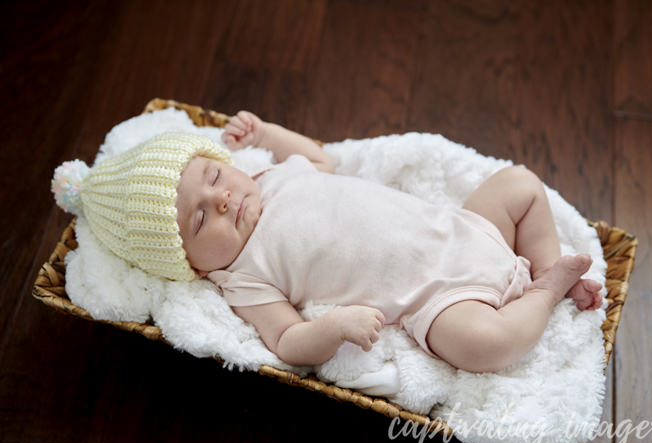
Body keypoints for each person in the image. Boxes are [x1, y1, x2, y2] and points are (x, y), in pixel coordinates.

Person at [52, 112, 603, 375]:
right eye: (200, 220)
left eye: (216, 179)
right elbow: (288, 341)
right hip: (435, 299)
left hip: (464, 227)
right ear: (188, 264)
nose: (222, 201)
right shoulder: (240, 279)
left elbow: (323, 159)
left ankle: (547, 267)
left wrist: (266, 136)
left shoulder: (274, 178)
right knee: (488, 347)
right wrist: (334, 328)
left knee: (521, 184)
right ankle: (545, 292)